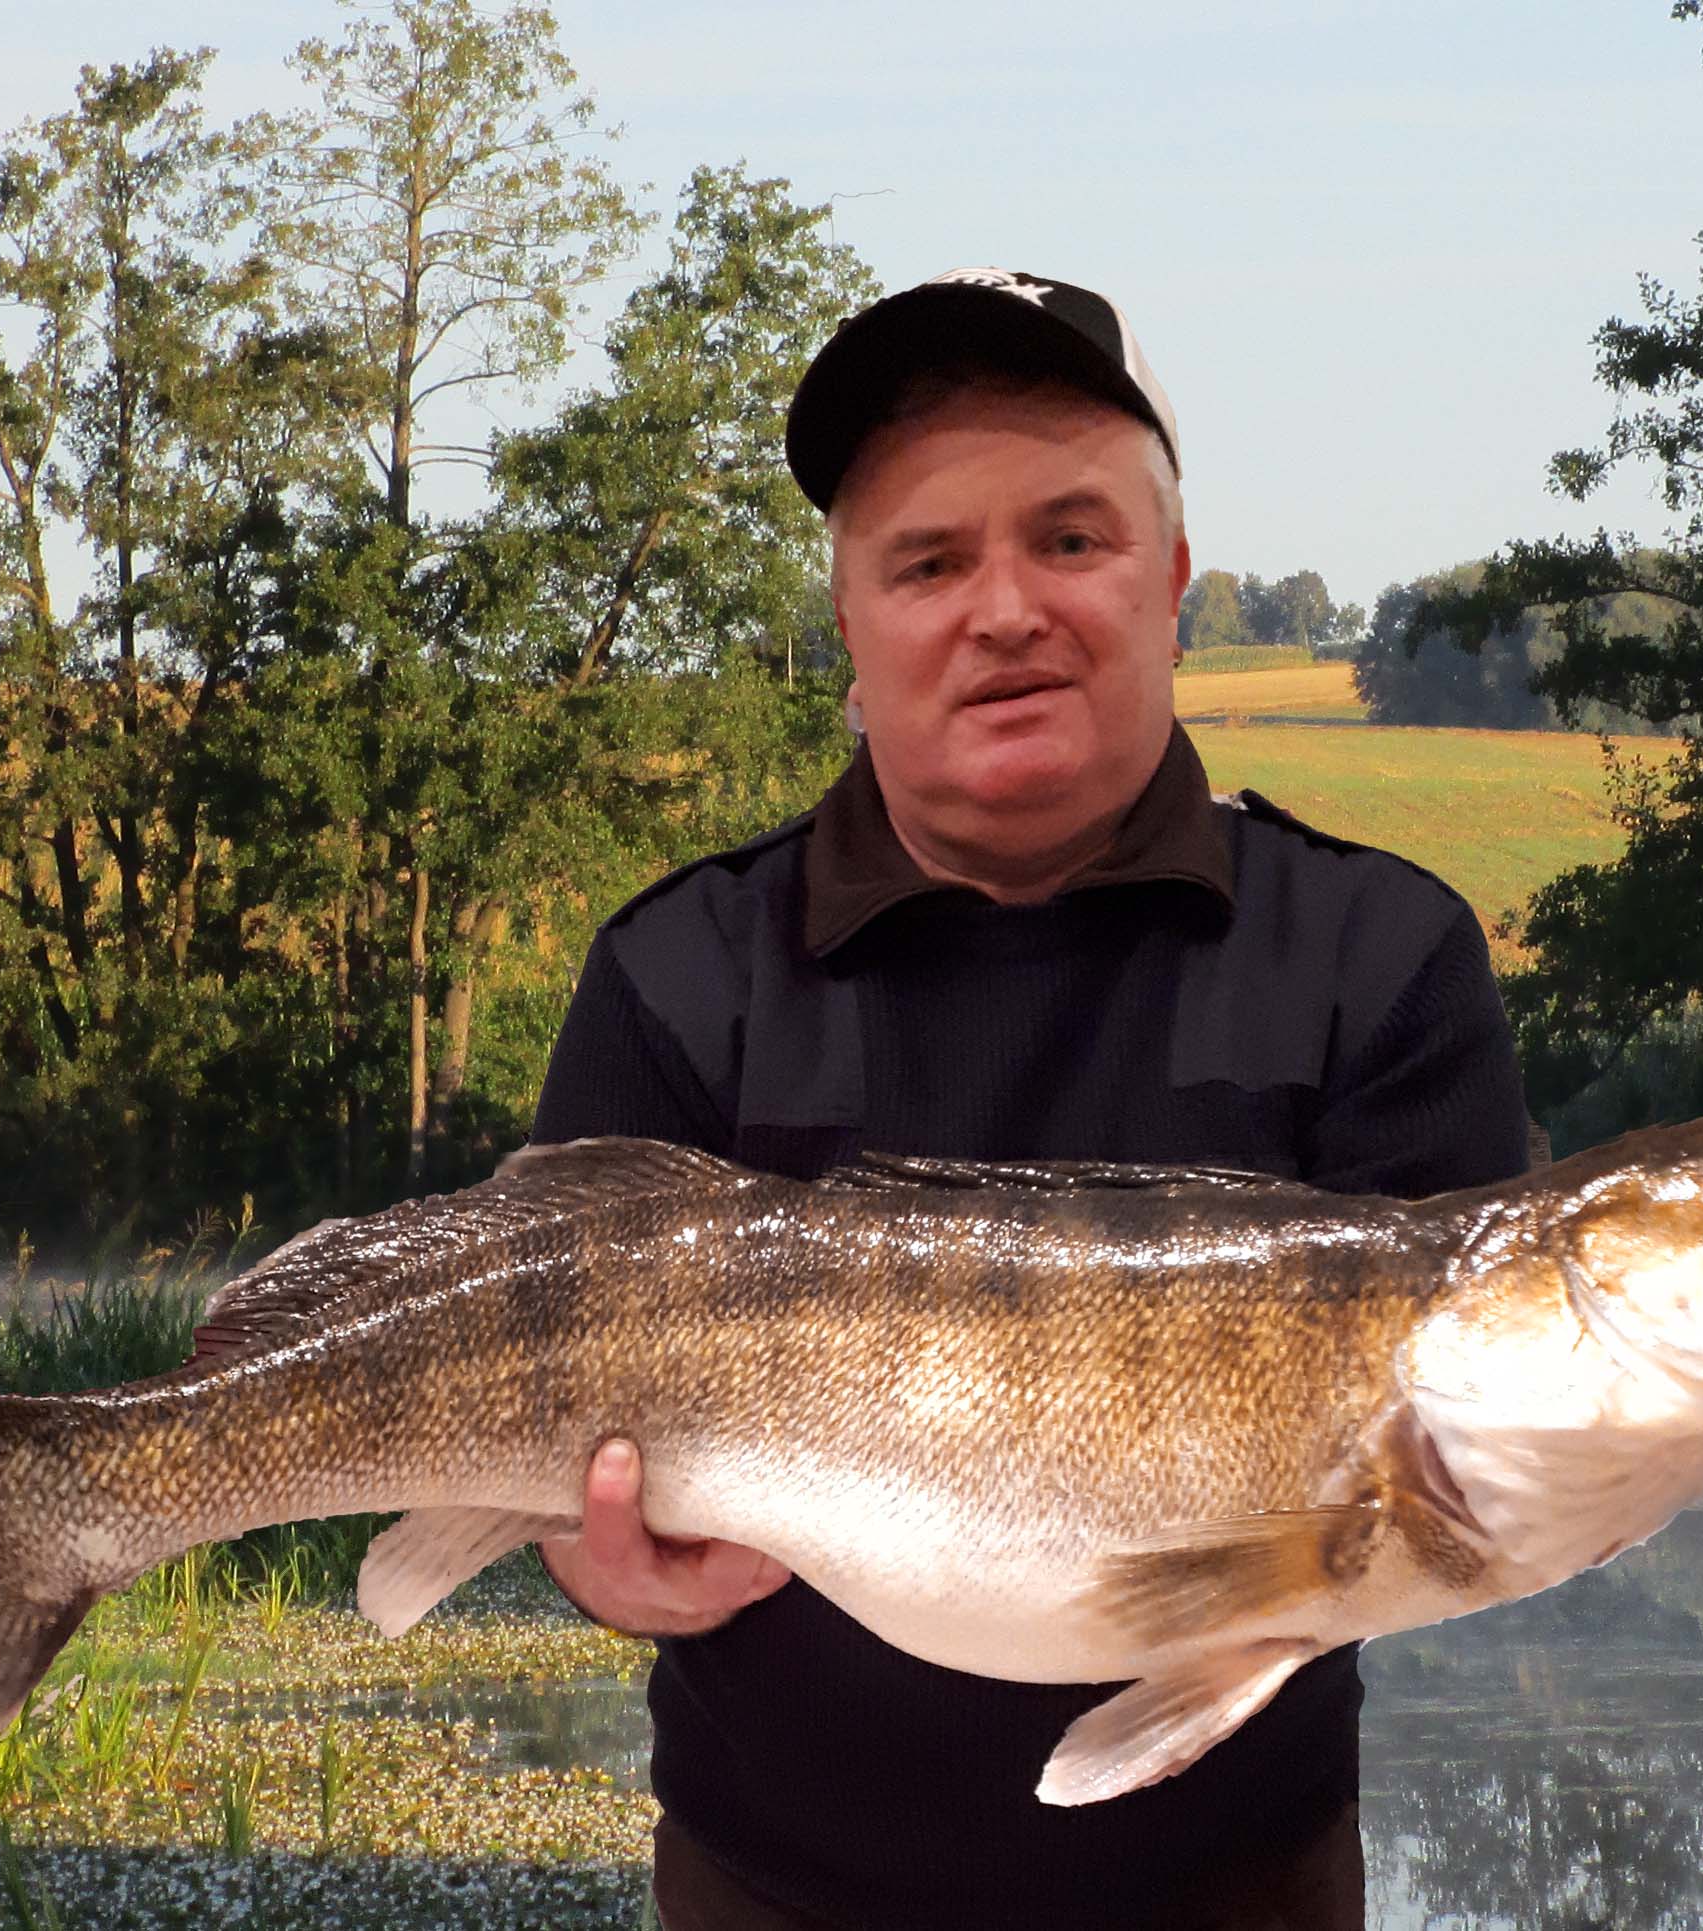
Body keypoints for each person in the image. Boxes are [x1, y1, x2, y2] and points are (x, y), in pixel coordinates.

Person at [527, 268, 1531, 1930]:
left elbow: (1460, 1479)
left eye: (1071, 539)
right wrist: (595, 1563)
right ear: (848, 619)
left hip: (1243, 1891)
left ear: (1175, 584)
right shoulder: (675, 974)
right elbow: (542, 1455)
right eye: (929, 560)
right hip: (763, 1892)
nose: (1005, 609)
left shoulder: (1384, 957)